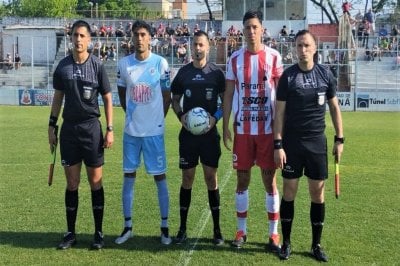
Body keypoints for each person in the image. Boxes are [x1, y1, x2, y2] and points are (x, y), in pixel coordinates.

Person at [273, 30, 344, 262]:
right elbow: (279, 113)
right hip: (292, 145)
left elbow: (334, 108)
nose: (302, 50)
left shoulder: (325, 74)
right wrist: (278, 144)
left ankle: (316, 244)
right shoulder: (288, 77)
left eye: (306, 45)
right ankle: (287, 243)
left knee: (317, 194)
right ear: (295, 48)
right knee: (289, 193)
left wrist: (339, 139)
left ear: (314, 47)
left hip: (317, 144)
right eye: (299, 46)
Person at [48, 20, 114, 250]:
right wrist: (51, 125)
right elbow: (57, 98)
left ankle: (98, 233)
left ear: (89, 40)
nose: (78, 39)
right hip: (69, 131)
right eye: (75, 35)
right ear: (71, 38)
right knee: (72, 183)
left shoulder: (97, 65)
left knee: (95, 182)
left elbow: (107, 97)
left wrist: (110, 129)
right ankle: (70, 233)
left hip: (92, 129)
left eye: (82, 36)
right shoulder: (62, 66)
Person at [222, 10, 283, 251]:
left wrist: (280, 132)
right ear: (242, 30)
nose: (251, 31)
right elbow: (228, 94)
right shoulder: (234, 59)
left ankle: (273, 234)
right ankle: (241, 231)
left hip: (268, 131)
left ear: (262, 29)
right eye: (247, 27)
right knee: (242, 179)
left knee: (270, 182)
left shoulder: (274, 57)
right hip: (243, 131)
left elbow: (282, 100)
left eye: (255, 27)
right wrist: (226, 124)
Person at [115, 20, 172, 246]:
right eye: (136, 34)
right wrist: (132, 114)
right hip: (131, 132)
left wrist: (158, 119)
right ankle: (128, 226)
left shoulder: (160, 63)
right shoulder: (124, 64)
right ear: (132, 37)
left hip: (153, 133)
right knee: (129, 176)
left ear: (150, 37)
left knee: (160, 176)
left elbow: (167, 95)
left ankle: (165, 227)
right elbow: (121, 94)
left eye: (143, 34)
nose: (139, 38)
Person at [171, 30, 225, 245]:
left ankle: (217, 230)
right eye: (195, 44)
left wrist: (216, 118)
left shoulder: (216, 74)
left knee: (211, 179)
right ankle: (182, 229)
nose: (197, 48)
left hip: (210, 136)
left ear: (208, 47)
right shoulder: (183, 73)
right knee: (187, 179)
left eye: (201, 44)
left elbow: (225, 102)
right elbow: (175, 100)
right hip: (188, 137)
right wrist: (181, 116)